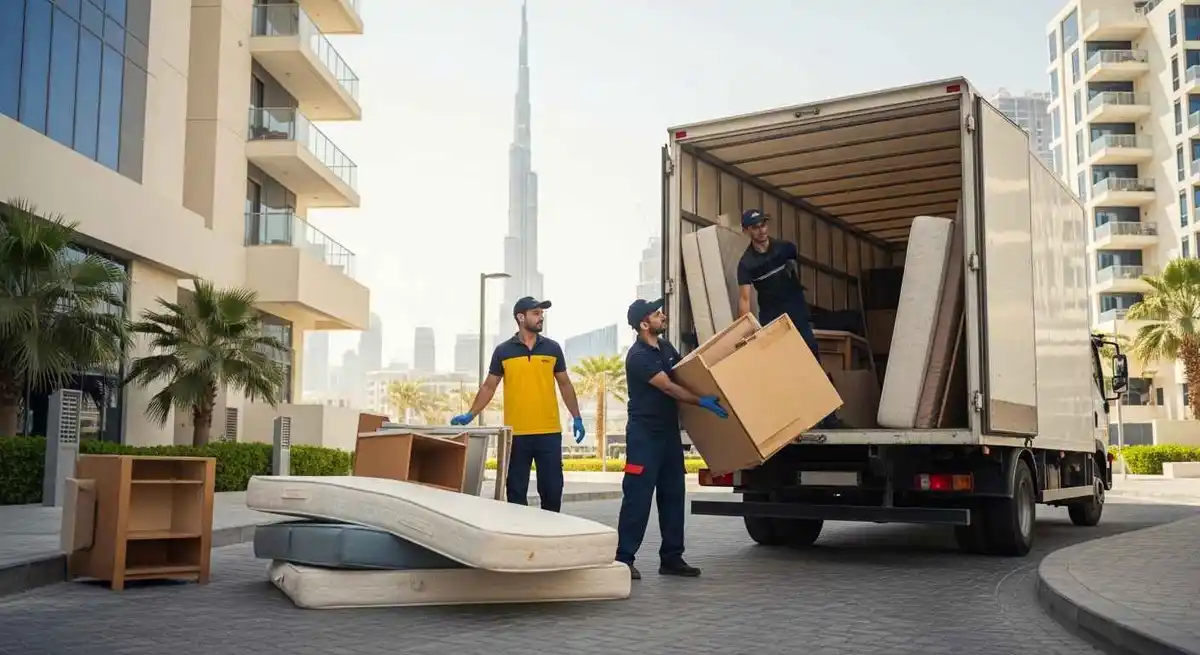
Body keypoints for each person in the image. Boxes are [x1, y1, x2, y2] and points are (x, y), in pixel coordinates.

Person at [615, 298, 729, 580]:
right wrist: (701, 401)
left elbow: (686, 372)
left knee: (673, 495)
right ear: (644, 324)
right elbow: (669, 387)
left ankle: (672, 558)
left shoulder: (665, 348)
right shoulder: (638, 356)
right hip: (644, 435)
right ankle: (623, 559)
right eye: (656, 314)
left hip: (667, 433)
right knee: (638, 498)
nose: (662, 315)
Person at [451, 296, 585, 513]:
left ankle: (549, 538)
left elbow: (565, 384)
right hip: (516, 434)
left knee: (552, 491)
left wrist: (577, 416)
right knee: (515, 492)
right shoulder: (504, 351)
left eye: (542, 313)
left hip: (549, 431)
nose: (541, 317)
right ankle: (521, 537)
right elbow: (489, 386)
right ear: (520, 317)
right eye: (536, 313)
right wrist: (471, 414)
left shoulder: (552, 348)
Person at [736, 208, 842, 429]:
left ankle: (829, 415)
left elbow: (793, 272)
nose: (761, 230)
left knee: (812, 360)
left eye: (763, 225)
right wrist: (747, 329)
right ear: (746, 231)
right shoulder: (746, 264)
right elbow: (745, 299)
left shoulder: (786, 248)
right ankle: (793, 418)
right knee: (781, 368)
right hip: (772, 316)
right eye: (755, 227)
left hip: (796, 311)